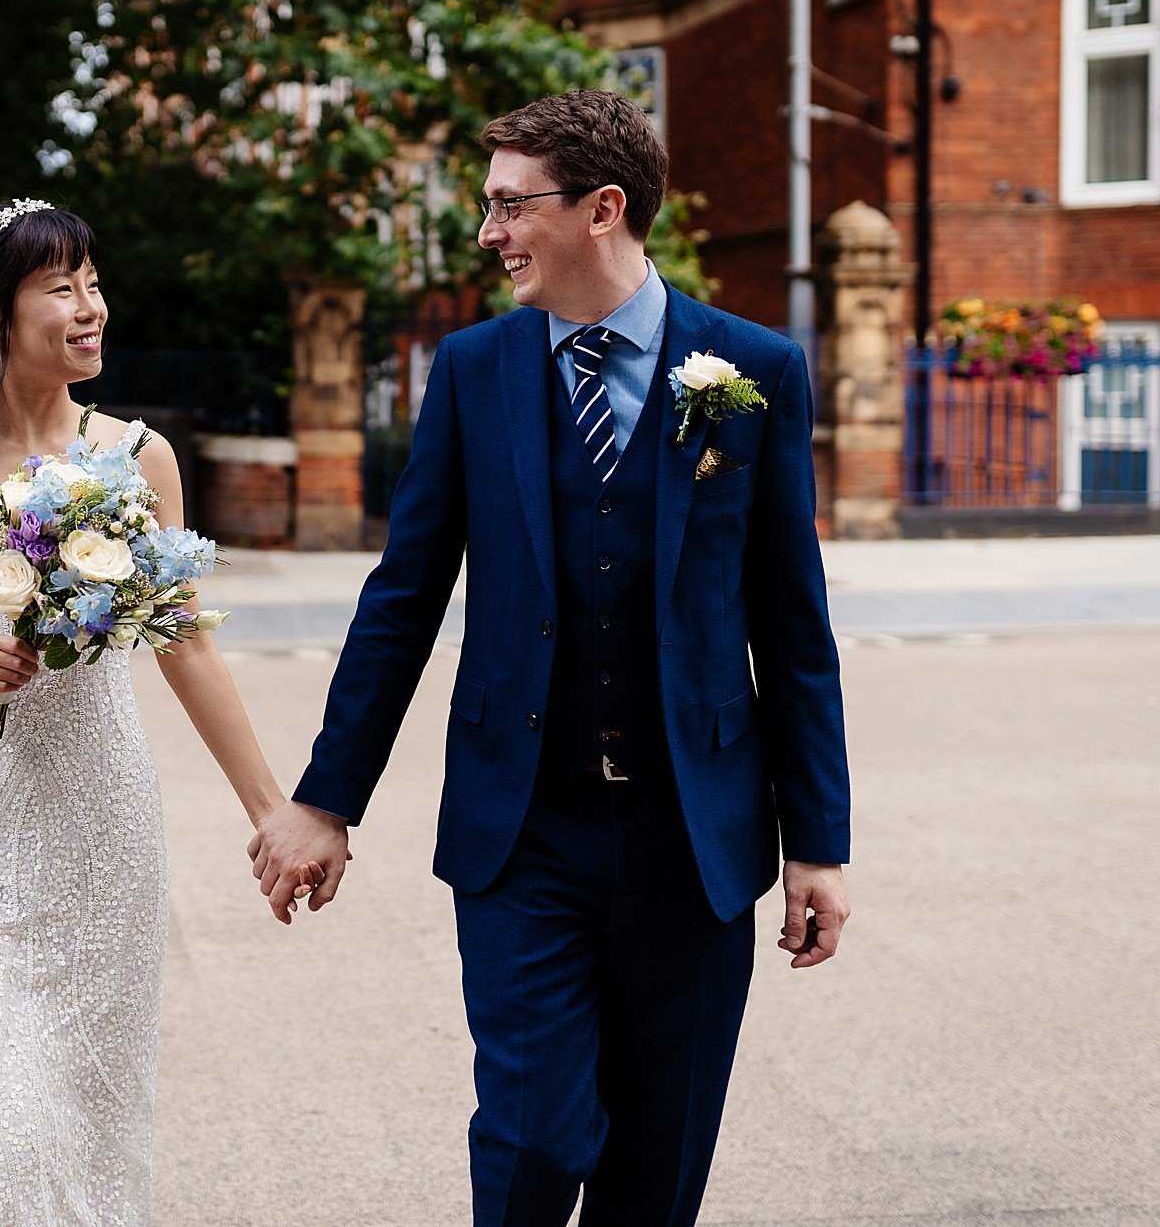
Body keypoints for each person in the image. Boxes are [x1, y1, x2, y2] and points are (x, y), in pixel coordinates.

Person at [249, 89, 855, 1226]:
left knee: (655, 1165)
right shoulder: (474, 372)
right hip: (523, 829)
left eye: (508, 207)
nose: (488, 235)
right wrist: (326, 798)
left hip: (697, 837)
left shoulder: (752, 368)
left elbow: (792, 623)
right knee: (529, 1138)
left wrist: (817, 843)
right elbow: (403, 597)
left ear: (601, 209)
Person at [0, 200, 320, 1224]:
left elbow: (184, 640)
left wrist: (269, 809)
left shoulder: (137, 458)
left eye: (92, 283)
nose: (90, 308)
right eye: (60, 288)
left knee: (87, 1108)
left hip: (102, 825)